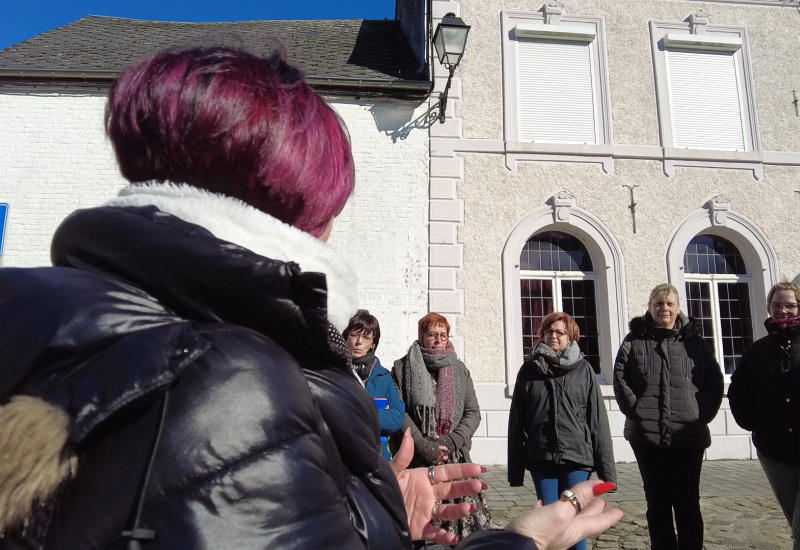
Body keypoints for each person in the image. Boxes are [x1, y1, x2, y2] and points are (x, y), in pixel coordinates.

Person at [0, 47, 623, 550]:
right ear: (309, 209)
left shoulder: (27, 301)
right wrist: (522, 541)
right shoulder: (233, 381)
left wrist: (368, 517)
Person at [613, 283, 724, 550]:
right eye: (658, 304)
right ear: (650, 308)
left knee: (688, 503)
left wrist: (700, 413)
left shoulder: (695, 343)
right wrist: (638, 412)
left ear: (677, 308)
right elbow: (620, 377)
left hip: (689, 435)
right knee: (657, 503)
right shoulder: (634, 341)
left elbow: (714, 381)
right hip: (646, 436)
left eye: (669, 304)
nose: (664, 308)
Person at [508, 312, 617, 550]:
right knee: (548, 524)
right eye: (549, 331)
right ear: (542, 335)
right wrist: (515, 470)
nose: (554, 336)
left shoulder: (584, 370)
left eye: (560, 332)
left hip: (577, 457)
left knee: (576, 523)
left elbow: (597, 420)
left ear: (571, 337)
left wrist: (607, 471)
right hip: (541, 457)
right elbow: (517, 421)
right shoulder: (528, 371)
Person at [392, 312, 491, 545]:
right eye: (432, 335)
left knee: (461, 529)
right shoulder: (401, 368)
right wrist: (424, 445)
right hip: (418, 459)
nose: (437, 340)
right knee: (419, 527)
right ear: (421, 336)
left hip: (453, 457)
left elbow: (472, 413)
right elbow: (400, 413)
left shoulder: (459, 369)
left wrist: (452, 441)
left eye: (442, 335)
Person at [729, 282, 800, 550]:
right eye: (777, 305)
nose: (783, 311)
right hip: (774, 450)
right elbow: (738, 392)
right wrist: (755, 425)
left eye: (790, 305)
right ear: (769, 308)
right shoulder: (758, 351)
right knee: (793, 519)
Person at [343, 309, 405, 460]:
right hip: (340, 456)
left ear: (372, 344)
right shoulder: (333, 372)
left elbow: (397, 418)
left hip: (377, 457)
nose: (359, 342)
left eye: (366, 338)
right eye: (354, 335)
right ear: (345, 338)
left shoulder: (383, 377)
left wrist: (359, 415)